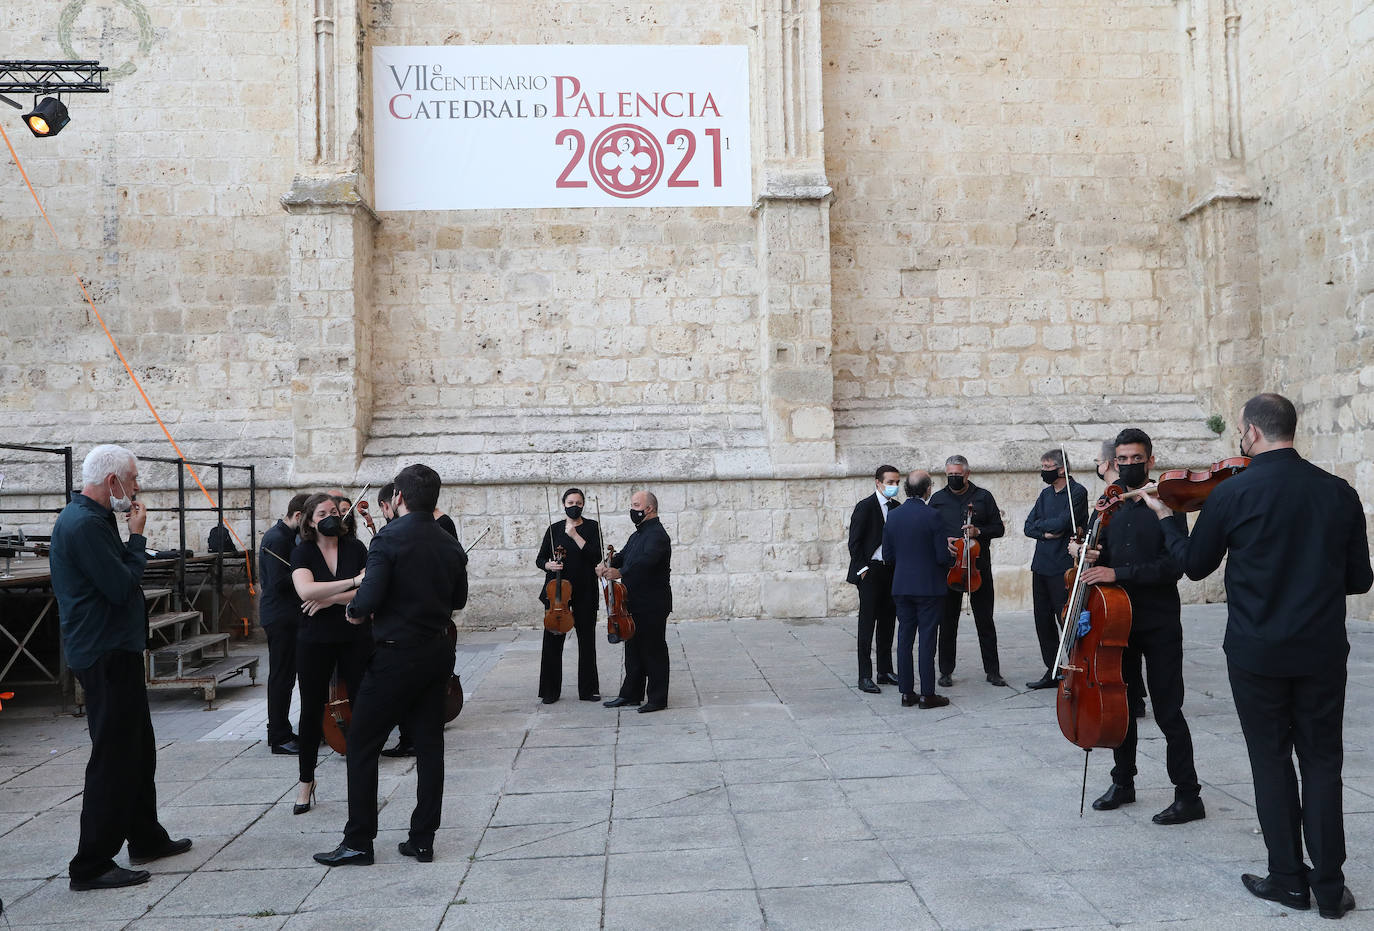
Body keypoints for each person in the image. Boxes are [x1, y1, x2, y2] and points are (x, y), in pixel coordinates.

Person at [1143, 393, 1371, 919]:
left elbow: (1194, 567)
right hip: (1320, 651)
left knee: (1270, 762)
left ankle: (1289, 880)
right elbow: (1360, 579)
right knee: (1322, 761)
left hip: (1256, 652)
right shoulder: (1339, 493)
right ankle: (1331, 889)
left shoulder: (1234, 493)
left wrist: (1166, 517)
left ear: (1250, 432)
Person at [314, 464, 469, 867]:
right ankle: (422, 840)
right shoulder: (450, 542)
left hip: (396, 655)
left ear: (397, 497)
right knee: (430, 747)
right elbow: (460, 599)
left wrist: (353, 611)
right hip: (436, 653)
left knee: (362, 745)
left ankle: (359, 841)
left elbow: (367, 599)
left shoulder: (388, 538)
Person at [51, 444, 191, 890]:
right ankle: (90, 862)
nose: (135, 490)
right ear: (112, 482)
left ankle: (145, 835)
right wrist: (137, 538)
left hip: (116, 648)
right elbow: (121, 586)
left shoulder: (92, 518)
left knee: (138, 748)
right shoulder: (85, 524)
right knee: (113, 756)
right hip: (103, 651)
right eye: (133, 480)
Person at [1079, 429, 1204, 825]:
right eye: (1122, 459)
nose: (1128, 464)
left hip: (1159, 621)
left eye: (1136, 458)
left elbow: (1174, 566)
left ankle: (1188, 796)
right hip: (1117, 621)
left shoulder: (1167, 503)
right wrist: (1090, 554)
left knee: (1169, 710)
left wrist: (1118, 571)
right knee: (1123, 706)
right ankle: (1123, 782)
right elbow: (1102, 556)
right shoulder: (1110, 505)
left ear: (1150, 460)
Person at [290, 493, 371, 815]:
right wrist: (350, 584)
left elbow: (371, 587)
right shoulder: (303, 551)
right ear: (310, 520)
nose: (331, 516)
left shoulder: (356, 548)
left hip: (354, 635)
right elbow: (305, 591)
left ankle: (361, 776)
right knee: (311, 711)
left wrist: (328, 598)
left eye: (336, 511)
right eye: (323, 512)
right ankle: (305, 782)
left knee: (361, 704)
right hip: (314, 639)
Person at [929, 455, 1006, 688]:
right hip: (950, 569)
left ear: (967, 474)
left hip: (978, 568)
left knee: (985, 621)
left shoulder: (983, 497)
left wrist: (978, 532)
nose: (953, 478)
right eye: (950, 475)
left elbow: (999, 528)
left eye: (958, 475)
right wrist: (945, 541)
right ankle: (945, 671)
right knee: (947, 622)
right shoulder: (938, 499)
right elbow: (930, 531)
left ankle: (993, 671)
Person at [883, 475, 953, 708]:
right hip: (929, 587)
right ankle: (927, 694)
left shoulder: (893, 515)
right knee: (927, 640)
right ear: (927, 490)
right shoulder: (933, 515)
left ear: (905, 489)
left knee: (904, 639)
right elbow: (942, 557)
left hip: (902, 585)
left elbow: (888, 556)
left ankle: (906, 692)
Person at [599, 491, 673, 713]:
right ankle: (631, 694)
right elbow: (623, 555)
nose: (632, 509)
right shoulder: (637, 535)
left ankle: (658, 699)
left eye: (636, 505)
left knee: (654, 650)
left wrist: (619, 572)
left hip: (652, 603)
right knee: (633, 650)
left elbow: (645, 563)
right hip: (633, 602)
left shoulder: (658, 535)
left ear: (648, 508)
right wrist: (606, 564)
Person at [1022, 449, 1089, 689]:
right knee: (1043, 621)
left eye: (1048, 466)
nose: (1044, 470)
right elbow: (1028, 526)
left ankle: (1076, 668)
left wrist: (1048, 530)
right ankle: (1052, 670)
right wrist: (1046, 531)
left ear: (1062, 469)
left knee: (1066, 620)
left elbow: (1062, 524)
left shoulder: (1077, 492)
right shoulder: (1045, 494)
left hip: (1062, 567)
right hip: (1040, 566)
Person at [535, 488, 602, 703]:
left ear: (583, 505)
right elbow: (540, 559)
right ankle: (550, 691)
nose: (574, 506)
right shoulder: (553, 529)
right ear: (563, 504)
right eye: (570, 502)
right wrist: (548, 564)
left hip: (584, 589)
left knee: (587, 640)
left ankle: (588, 690)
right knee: (553, 639)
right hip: (557, 591)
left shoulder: (592, 527)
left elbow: (595, 556)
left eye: (579, 502)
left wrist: (575, 535)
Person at [259, 493, 310, 754]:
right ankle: (278, 735)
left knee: (288, 677)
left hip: (288, 617)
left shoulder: (288, 538)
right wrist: (304, 573)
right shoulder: (277, 539)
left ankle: (284, 731)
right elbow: (279, 583)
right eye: (308, 522)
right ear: (298, 516)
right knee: (282, 678)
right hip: (280, 618)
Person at [846, 465, 903, 693]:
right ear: (878, 482)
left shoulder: (898, 508)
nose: (894, 486)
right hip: (871, 572)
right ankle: (864, 675)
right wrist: (862, 569)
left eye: (897, 482)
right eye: (890, 482)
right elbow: (855, 542)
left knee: (888, 621)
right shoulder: (865, 507)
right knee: (867, 624)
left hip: (892, 571)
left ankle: (885, 670)